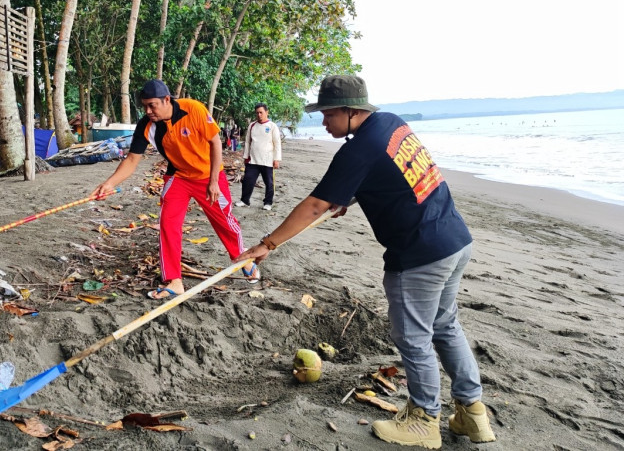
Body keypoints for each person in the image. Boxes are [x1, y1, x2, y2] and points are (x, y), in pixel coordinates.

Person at [237, 75, 495, 449]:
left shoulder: (358, 150)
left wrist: (268, 244)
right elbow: (392, 176)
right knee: (445, 326)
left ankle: (424, 420)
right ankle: (472, 414)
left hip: (419, 255)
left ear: (351, 111)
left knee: (414, 337)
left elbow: (315, 205)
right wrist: (350, 194)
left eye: (328, 114)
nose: (324, 122)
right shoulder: (392, 124)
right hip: (454, 239)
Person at [93, 79, 259, 299]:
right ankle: (174, 280)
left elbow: (215, 142)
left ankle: (244, 260)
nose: (148, 111)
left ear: (166, 100)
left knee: (223, 219)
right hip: (178, 177)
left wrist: (213, 181)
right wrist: (110, 183)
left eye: (152, 105)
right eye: (144, 106)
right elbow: (132, 160)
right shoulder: (146, 126)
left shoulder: (194, 109)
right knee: (168, 223)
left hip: (209, 174)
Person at [236, 103, 282, 211]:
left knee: (269, 183)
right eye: (257, 113)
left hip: (267, 160)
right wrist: (246, 156)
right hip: (253, 160)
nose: (259, 115)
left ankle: (268, 203)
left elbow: (277, 143)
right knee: (248, 181)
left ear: (267, 112)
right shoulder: (252, 125)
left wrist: (276, 159)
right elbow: (248, 142)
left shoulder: (272, 126)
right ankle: (245, 200)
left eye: (261, 112)